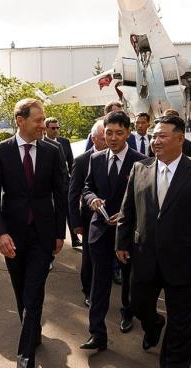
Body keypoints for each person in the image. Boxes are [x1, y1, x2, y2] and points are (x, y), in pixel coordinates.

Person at [116, 115, 191, 368]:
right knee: (138, 305)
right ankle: (153, 325)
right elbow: (128, 211)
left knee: (182, 320)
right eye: (153, 135)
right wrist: (121, 243)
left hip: (183, 258)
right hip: (144, 256)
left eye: (162, 135)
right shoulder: (140, 168)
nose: (155, 140)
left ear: (180, 139)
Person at [0, 98, 67, 368]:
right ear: (20, 120)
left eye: (44, 120)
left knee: (32, 296)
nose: (43, 124)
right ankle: (32, 332)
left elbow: (61, 193)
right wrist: (0, 233)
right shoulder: (0, 152)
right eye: (38, 120)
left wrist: (60, 233)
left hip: (43, 237)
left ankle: (24, 362)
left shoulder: (53, 151)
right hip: (13, 238)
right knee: (22, 294)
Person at [80, 111, 146, 351]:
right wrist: (92, 199)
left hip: (127, 234)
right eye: (109, 133)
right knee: (100, 283)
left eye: (119, 133)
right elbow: (87, 187)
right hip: (98, 231)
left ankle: (128, 313)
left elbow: (147, 198)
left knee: (129, 280)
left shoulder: (141, 161)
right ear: (102, 133)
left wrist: (127, 216)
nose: (114, 137)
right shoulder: (95, 159)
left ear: (128, 133)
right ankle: (97, 333)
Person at [69, 120, 107, 307]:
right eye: (103, 138)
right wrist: (75, 222)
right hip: (88, 220)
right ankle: (88, 291)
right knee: (89, 258)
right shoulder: (82, 161)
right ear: (93, 139)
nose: (108, 141)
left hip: (114, 220)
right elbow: (73, 194)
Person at [44, 117, 79, 248]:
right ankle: (54, 239)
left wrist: (73, 182)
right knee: (56, 212)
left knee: (69, 210)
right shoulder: (42, 143)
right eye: (53, 128)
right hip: (49, 186)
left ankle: (74, 238)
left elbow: (71, 163)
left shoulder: (64, 142)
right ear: (46, 129)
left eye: (57, 128)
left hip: (65, 183)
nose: (56, 130)